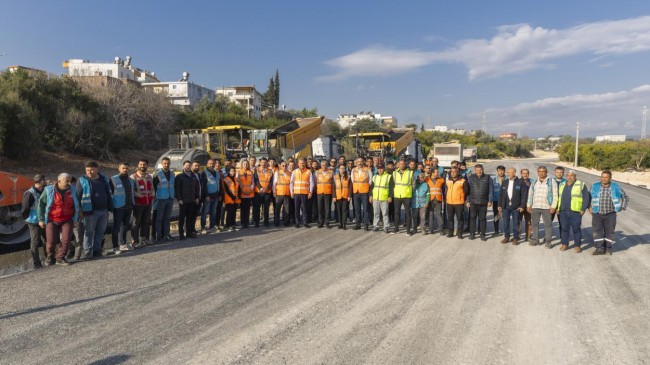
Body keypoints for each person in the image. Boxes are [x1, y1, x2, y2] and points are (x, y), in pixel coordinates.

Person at [37, 173, 80, 266]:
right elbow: (41, 205)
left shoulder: (73, 190)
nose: (69, 182)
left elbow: (77, 203)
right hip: (52, 220)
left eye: (69, 180)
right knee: (51, 241)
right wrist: (41, 219)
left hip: (67, 219)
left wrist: (78, 215)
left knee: (66, 239)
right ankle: (50, 256)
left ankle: (60, 258)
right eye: (66, 180)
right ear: (59, 180)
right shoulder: (48, 190)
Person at [77, 161, 113, 259]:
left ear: (97, 169)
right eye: (87, 170)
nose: (89, 172)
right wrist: (80, 210)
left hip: (104, 210)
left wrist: (110, 205)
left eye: (91, 169)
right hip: (89, 211)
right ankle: (88, 252)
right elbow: (78, 197)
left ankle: (97, 250)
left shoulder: (104, 178)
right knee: (89, 232)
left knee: (100, 231)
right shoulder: (82, 180)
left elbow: (109, 192)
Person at [590, 170, 629, 255]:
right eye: (602, 177)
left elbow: (625, 197)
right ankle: (599, 249)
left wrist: (622, 207)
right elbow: (588, 197)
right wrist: (589, 207)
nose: (604, 179)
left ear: (610, 178)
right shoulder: (595, 186)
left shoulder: (616, 187)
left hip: (611, 213)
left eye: (606, 177)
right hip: (597, 213)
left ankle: (608, 249)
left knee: (610, 232)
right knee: (597, 231)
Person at [557, 170, 590, 253]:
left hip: (575, 211)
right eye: (568, 175)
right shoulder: (562, 184)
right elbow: (559, 197)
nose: (570, 177)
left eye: (572, 175)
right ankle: (564, 244)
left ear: (575, 176)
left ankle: (577, 245)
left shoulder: (581, 184)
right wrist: (558, 208)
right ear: (566, 176)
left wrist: (583, 209)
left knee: (576, 229)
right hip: (563, 210)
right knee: (564, 228)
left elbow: (586, 198)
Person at [526, 166, 558, 248]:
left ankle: (548, 241)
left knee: (548, 225)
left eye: (543, 171)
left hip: (547, 207)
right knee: (535, 224)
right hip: (535, 206)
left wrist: (553, 207)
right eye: (539, 171)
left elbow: (555, 195)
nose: (541, 173)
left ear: (546, 172)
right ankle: (536, 239)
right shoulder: (534, 181)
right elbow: (530, 194)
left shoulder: (551, 181)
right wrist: (528, 205)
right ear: (537, 172)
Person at [109, 162, 135, 254]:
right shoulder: (113, 179)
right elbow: (110, 194)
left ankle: (122, 244)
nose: (125, 170)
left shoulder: (130, 179)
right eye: (123, 168)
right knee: (116, 227)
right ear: (119, 169)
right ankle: (115, 246)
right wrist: (111, 206)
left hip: (129, 206)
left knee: (125, 226)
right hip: (118, 207)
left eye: (126, 168)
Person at [22, 174, 47, 268]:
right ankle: (37, 264)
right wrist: (27, 218)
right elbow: (25, 208)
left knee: (47, 240)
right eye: (44, 180)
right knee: (35, 242)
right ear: (41, 181)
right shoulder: (30, 193)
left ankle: (49, 259)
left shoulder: (44, 190)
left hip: (45, 220)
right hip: (34, 221)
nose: (46, 181)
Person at [498, 167, 527, 245]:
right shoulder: (505, 182)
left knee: (515, 223)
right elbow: (500, 194)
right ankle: (506, 237)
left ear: (514, 173)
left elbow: (524, 195)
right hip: (506, 206)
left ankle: (515, 238)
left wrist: (522, 206)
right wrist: (499, 205)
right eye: (507, 172)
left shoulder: (520, 182)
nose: (508, 174)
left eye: (509, 172)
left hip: (516, 207)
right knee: (505, 223)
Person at [466, 164, 493, 241]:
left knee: (483, 219)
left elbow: (491, 190)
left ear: (483, 170)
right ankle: (472, 234)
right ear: (475, 170)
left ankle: (482, 234)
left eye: (480, 170)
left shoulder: (488, 178)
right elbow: (467, 191)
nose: (479, 171)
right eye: (477, 170)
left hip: (483, 202)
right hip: (473, 202)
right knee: (472, 218)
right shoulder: (470, 178)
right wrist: (467, 201)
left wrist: (490, 201)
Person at [131, 159, 154, 248]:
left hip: (148, 203)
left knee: (146, 222)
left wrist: (153, 194)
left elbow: (152, 188)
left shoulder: (149, 177)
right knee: (136, 222)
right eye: (140, 164)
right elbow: (131, 190)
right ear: (138, 165)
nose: (142, 166)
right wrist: (139, 195)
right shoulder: (133, 177)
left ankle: (144, 239)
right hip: (138, 204)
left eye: (144, 164)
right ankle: (135, 241)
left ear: (147, 166)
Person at [175, 160, 199, 240]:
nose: (188, 167)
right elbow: (177, 189)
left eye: (189, 165)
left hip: (192, 200)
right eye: (186, 165)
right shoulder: (179, 177)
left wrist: (197, 197)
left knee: (190, 217)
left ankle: (189, 233)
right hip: (183, 201)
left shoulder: (193, 176)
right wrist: (179, 199)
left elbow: (197, 188)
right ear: (183, 166)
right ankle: (181, 234)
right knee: (181, 218)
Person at [153, 156, 175, 244]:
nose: (166, 165)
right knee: (159, 218)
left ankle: (167, 234)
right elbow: (154, 187)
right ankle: (159, 236)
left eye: (168, 163)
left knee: (167, 218)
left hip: (170, 199)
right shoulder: (157, 174)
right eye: (165, 163)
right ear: (162, 164)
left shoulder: (172, 174)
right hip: (161, 199)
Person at [392, 158, 414, 235]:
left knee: (408, 213)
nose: (402, 165)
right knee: (396, 212)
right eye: (400, 164)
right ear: (398, 165)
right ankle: (396, 229)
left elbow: (413, 184)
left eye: (403, 164)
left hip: (407, 195)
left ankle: (408, 231)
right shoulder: (394, 173)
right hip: (397, 195)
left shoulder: (410, 173)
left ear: (406, 164)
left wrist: (411, 192)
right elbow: (393, 184)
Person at [445, 167, 469, 239]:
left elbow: (467, 191)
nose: (453, 173)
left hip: (459, 203)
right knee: (450, 219)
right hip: (449, 203)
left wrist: (464, 199)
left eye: (454, 172)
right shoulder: (448, 181)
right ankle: (450, 233)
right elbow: (446, 190)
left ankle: (460, 234)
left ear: (458, 172)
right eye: (451, 172)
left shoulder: (463, 181)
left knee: (460, 219)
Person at [290, 158, 314, 228]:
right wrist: (292, 192)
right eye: (300, 163)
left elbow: (311, 183)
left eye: (303, 163)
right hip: (296, 193)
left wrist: (310, 192)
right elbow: (291, 182)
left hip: (305, 193)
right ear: (298, 164)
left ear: (305, 163)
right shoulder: (294, 171)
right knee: (296, 208)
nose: (302, 164)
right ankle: (297, 223)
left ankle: (305, 222)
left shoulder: (308, 172)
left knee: (304, 208)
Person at [370, 163, 393, 233]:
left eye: (381, 168)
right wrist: (370, 196)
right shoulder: (375, 177)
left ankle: (386, 226)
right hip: (376, 198)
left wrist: (390, 196)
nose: (380, 170)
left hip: (384, 198)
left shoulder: (388, 176)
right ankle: (376, 225)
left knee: (385, 213)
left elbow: (391, 187)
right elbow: (371, 187)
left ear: (384, 169)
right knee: (376, 213)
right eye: (379, 168)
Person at [200, 158, 221, 234]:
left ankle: (212, 226)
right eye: (210, 163)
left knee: (213, 212)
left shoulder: (217, 173)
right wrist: (206, 195)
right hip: (208, 197)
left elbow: (219, 184)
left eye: (213, 163)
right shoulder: (204, 173)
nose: (211, 165)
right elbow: (204, 186)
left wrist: (219, 194)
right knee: (205, 212)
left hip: (215, 196)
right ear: (207, 164)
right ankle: (203, 227)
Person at [351, 157, 371, 231]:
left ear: (363, 162)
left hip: (364, 192)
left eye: (361, 161)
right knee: (357, 209)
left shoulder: (368, 170)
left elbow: (370, 181)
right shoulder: (353, 170)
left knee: (365, 209)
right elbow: (353, 180)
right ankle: (358, 224)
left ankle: (366, 224)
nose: (360, 163)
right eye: (358, 161)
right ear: (356, 162)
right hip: (356, 192)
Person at [253, 157, 274, 227]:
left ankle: (266, 222)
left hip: (267, 192)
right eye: (262, 162)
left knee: (266, 208)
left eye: (265, 162)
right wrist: (261, 188)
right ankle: (256, 222)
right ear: (260, 162)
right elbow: (256, 180)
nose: (263, 163)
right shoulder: (257, 170)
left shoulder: (270, 171)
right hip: (259, 192)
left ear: (267, 163)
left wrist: (267, 188)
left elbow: (271, 181)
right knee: (257, 208)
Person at [425, 168, 445, 235]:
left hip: (438, 199)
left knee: (439, 214)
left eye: (438, 172)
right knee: (431, 215)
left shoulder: (441, 180)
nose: (438, 173)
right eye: (437, 172)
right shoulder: (427, 180)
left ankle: (441, 229)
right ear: (432, 173)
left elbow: (444, 190)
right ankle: (431, 229)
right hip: (430, 200)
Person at [315, 160, 334, 228]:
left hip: (328, 192)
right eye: (322, 165)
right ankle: (320, 221)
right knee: (320, 208)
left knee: (327, 208)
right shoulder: (317, 172)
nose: (324, 166)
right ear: (320, 166)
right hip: (319, 192)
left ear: (327, 165)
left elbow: (333, 183)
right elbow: (315, 182)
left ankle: (327, 222)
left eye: (325, 165)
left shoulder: (331, 172)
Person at [273, 161, 292, 227]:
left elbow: (291, 184)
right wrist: (274, 192)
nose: (284, 167)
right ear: (280, 166)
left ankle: (286, 222)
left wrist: (291, 192)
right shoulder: (277, 173)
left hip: (287, 193)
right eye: (283, 165)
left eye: (285, 165)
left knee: (286, 209)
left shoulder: (290, 173)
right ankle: (276, 222)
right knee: (277, 209)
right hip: (279, 194)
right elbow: (274, 183)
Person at [237, 159, 255, 229]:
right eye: (244, 164)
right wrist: (243, 191)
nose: (245, 165)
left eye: (246, 164)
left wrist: (250, 190)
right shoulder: (239, 172)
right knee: (243, 209)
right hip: (242, 193)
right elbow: (238, 183)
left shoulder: (250, 172)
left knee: (247, 209)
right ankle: (243, 222)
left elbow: (253, 183)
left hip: (249, 194)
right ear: (242, 165)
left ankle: (246, 222)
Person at [334, 164, 352, 230]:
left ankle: (344, 224)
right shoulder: (335, 177)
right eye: (341, 168)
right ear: (338, 169)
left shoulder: (348, 177)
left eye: (343, 168)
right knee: (339, 210)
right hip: (338, 196)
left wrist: (349, 195)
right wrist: (334, 196)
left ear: (345, 169)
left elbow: (350, 187)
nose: (342, 169)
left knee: (344, 210)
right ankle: (340, 223)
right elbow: (334, 187)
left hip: (345, 196)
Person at [222, 166, 240, 232]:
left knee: (234, 212)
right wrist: (233, 196)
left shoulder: (236, 179)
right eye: (232, 171)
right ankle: (228, 225)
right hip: (229, 198)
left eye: (234, 171)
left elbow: (238, 188)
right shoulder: (226, 179)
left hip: (236, 198)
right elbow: (226, 190)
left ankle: (233, 225)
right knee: (230, 212)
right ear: (229, 172)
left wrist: (238, 196)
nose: (233, 172)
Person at [551, 166, 566, 236]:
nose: (559, 174)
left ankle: (562, 238)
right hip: (551, 206)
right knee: (548, 223)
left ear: (563, 173)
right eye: (557, 172)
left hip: (562, 206)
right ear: (555, 173)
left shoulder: (566, 182)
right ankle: (547, 237)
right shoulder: (550, 181)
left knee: (562, 223)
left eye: (561, 172)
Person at [491, 165, 506, 237]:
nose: (501, 172)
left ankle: (507, 231)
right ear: (497, 171)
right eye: (499, 171)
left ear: (504, 171)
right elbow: (491, 190)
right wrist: (490, 200)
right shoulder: (493, 179)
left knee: (506, 216)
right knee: (496, 216)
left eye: (502, 171)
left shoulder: (508, 179)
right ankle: (496, 231)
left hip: (506, 201)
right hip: (496, 201)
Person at [518, 168, 533, 241]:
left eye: (526, 173)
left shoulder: (532, 182)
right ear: (521, 174)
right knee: (518, 221)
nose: (525, 175)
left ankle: (528, 236)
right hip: (519, 205)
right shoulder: (517, 182)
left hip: (528, 205)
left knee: (528, 221)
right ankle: (517, 235)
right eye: (523, 173)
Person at [191, 161, 203, 234]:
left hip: (199, 198)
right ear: (192, 166)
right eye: (195, 166)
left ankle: (193, 228)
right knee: (190, 215)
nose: (197, 167)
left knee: (195, 214)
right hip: (193, 199)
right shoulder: (190, 175)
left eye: (198, 166)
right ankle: (189, 229)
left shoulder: (199, 175)